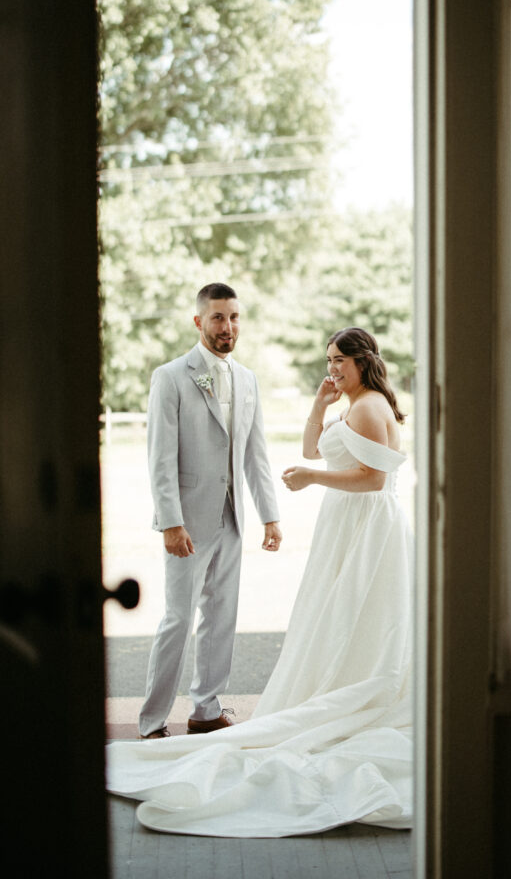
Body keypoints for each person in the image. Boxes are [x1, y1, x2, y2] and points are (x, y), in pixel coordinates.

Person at [108, 327, 413, 836]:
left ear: (363, 361)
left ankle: (347, 687)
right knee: (332, 615)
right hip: (349, 522)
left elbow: (375, 479)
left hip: (368, 527)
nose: (332, 369)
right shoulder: (352, 402)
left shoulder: (369, 406)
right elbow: (315, 449)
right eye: (329, 360)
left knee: (356, 614)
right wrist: (320, 405)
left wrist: (312, 480)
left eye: (339, 361)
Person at [138, 282, 282, 740]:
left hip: (233, 520)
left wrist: (270, 515)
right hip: (188, 523)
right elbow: (160, 457)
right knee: (178, 619)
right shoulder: (172, 375)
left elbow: (255, 454)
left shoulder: (248, 379)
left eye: (234, 317)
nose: (228, 326)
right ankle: (151, 720)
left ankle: (205, 711)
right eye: (218, 317)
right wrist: (171, 522)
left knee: (222, 617)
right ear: (199, 321)